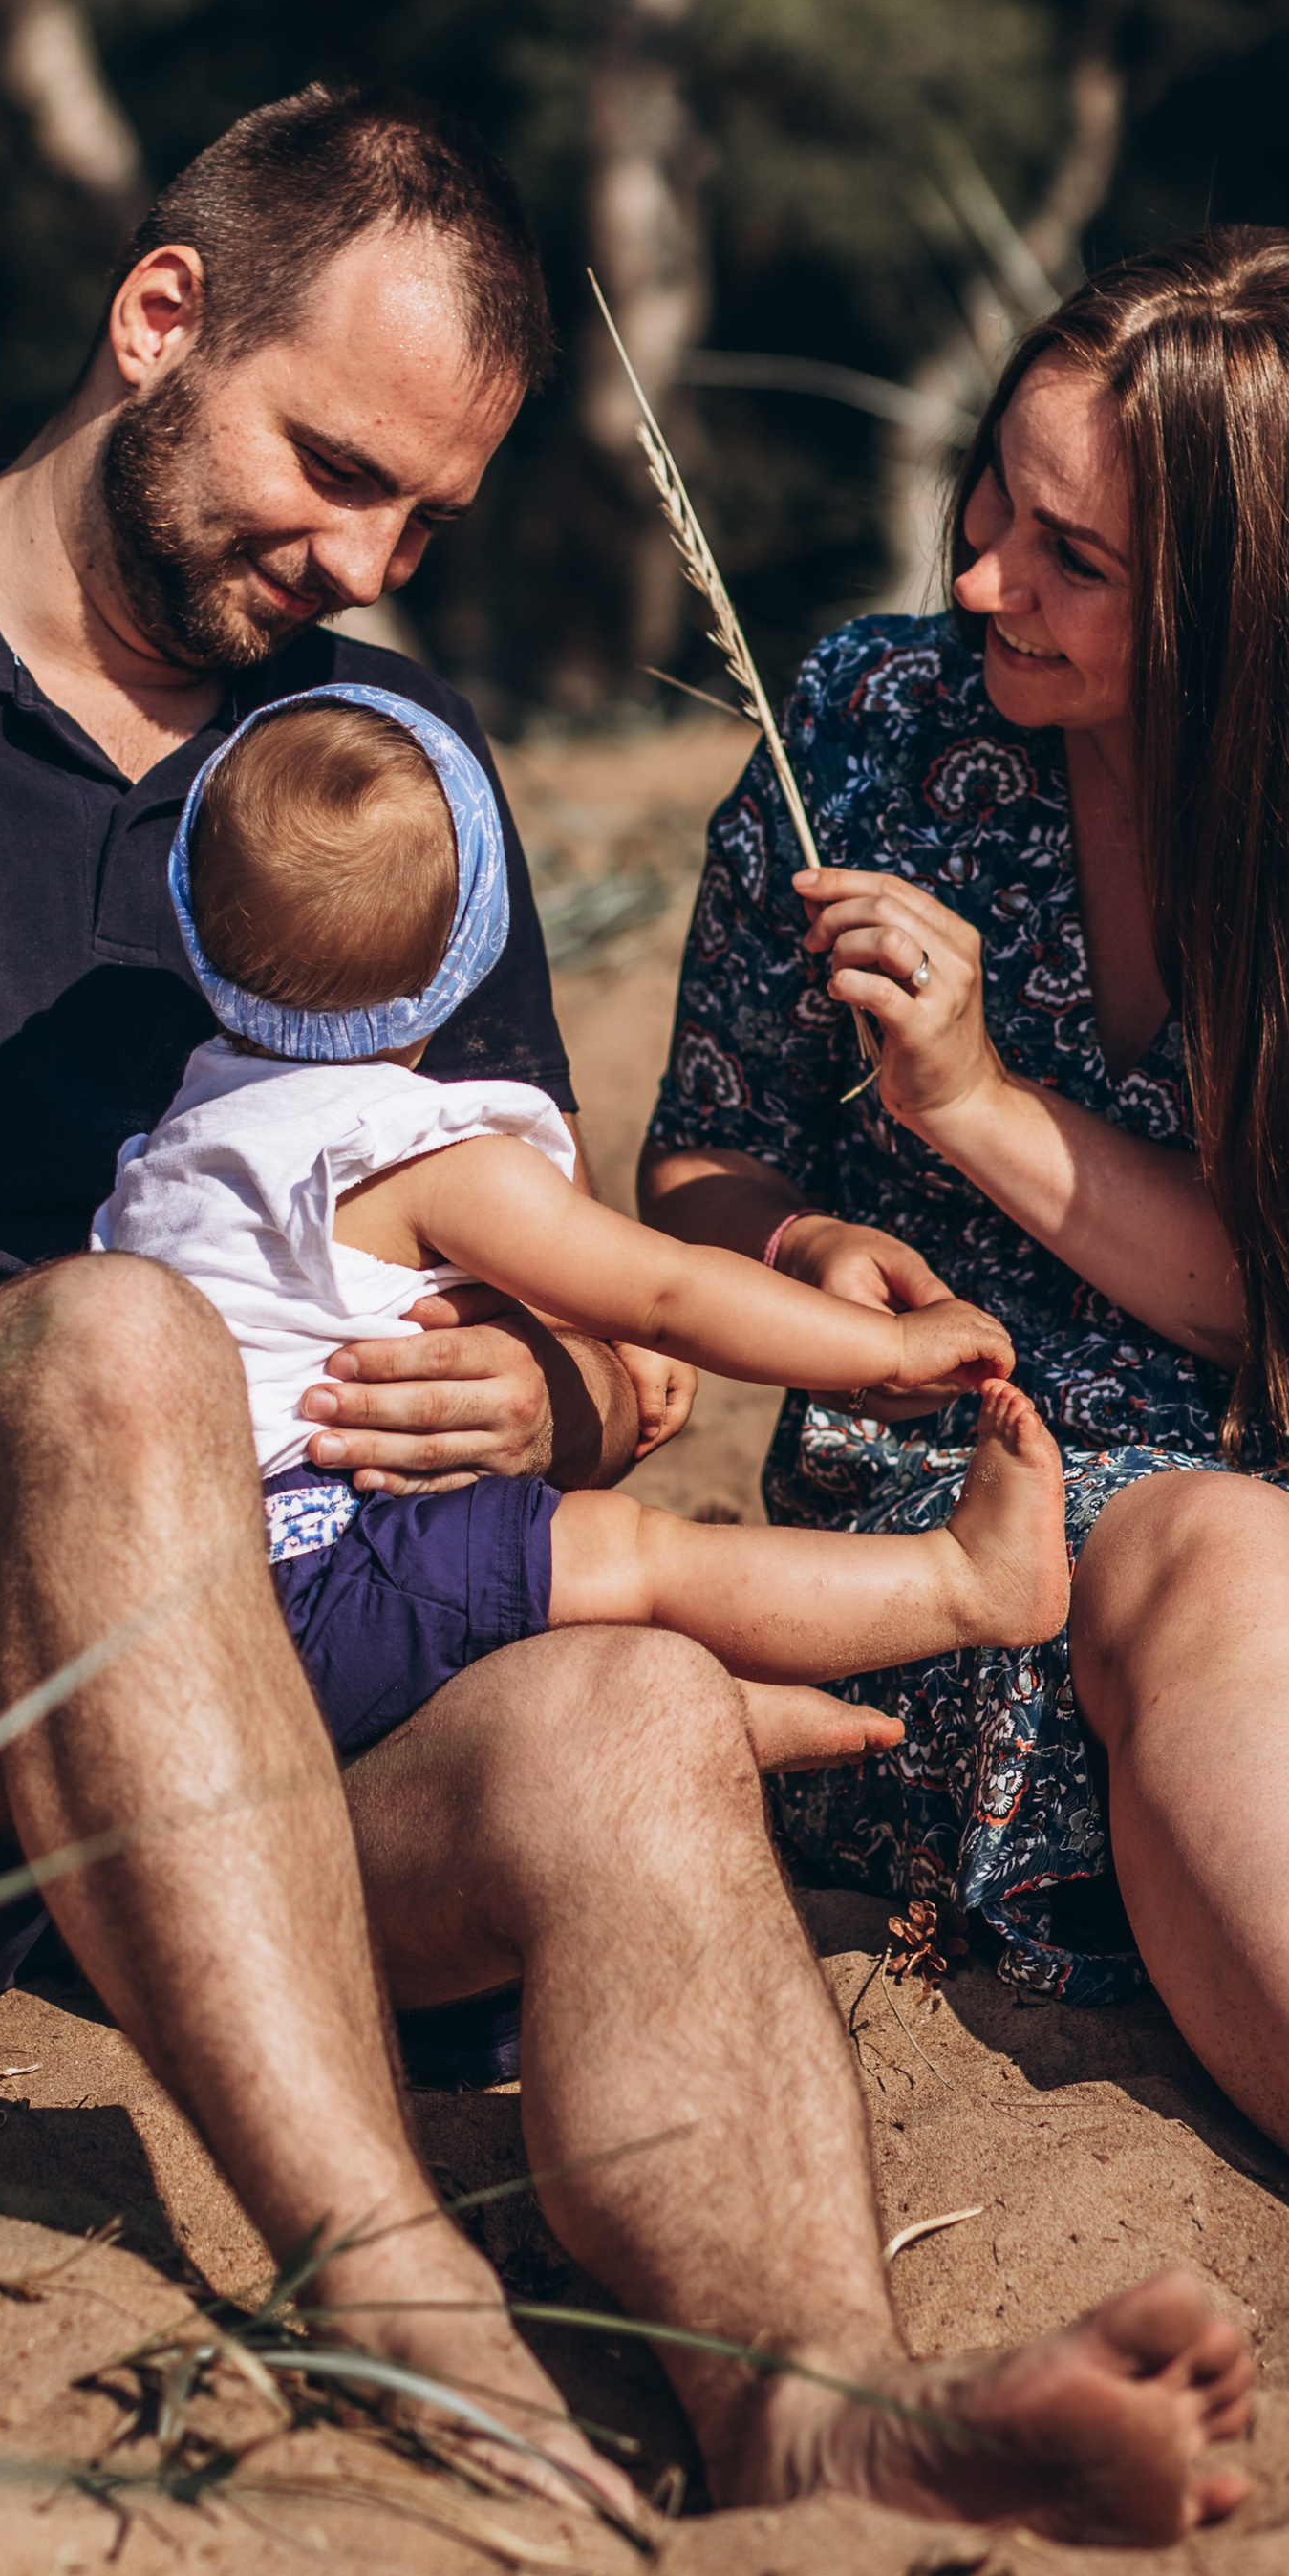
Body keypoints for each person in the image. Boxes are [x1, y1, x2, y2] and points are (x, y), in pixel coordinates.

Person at [0, 83, 1254, 2537]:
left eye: (425, 515)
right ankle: (391, 2291)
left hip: (276, 1696)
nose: (358, 558)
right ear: (156, 320)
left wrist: (550, 1378)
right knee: (113, 1340)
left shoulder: (384, 755)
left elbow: (578, 1308)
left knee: (633, 1712)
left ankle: (824, 2410)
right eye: (330, 468)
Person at [643, 223, 1289, 2382]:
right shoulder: (866, 723)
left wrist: (983, 1109)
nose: (984, 579)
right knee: (1218, 1564)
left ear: (1263, 613)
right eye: (986, 507)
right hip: (1033, 1504)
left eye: (1069, 557)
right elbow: (699, 1164)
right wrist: (799, 1251)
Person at [97, 677, 1069, 1766]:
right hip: (307, 1580)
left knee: (537, 1574)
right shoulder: (416, 1154)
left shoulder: (195, 1134)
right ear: (467, 958)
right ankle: (966, 1584)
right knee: (628, 1550)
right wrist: (885, 1347)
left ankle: (756, 1715)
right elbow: (666, 1291)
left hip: (171, 1601)